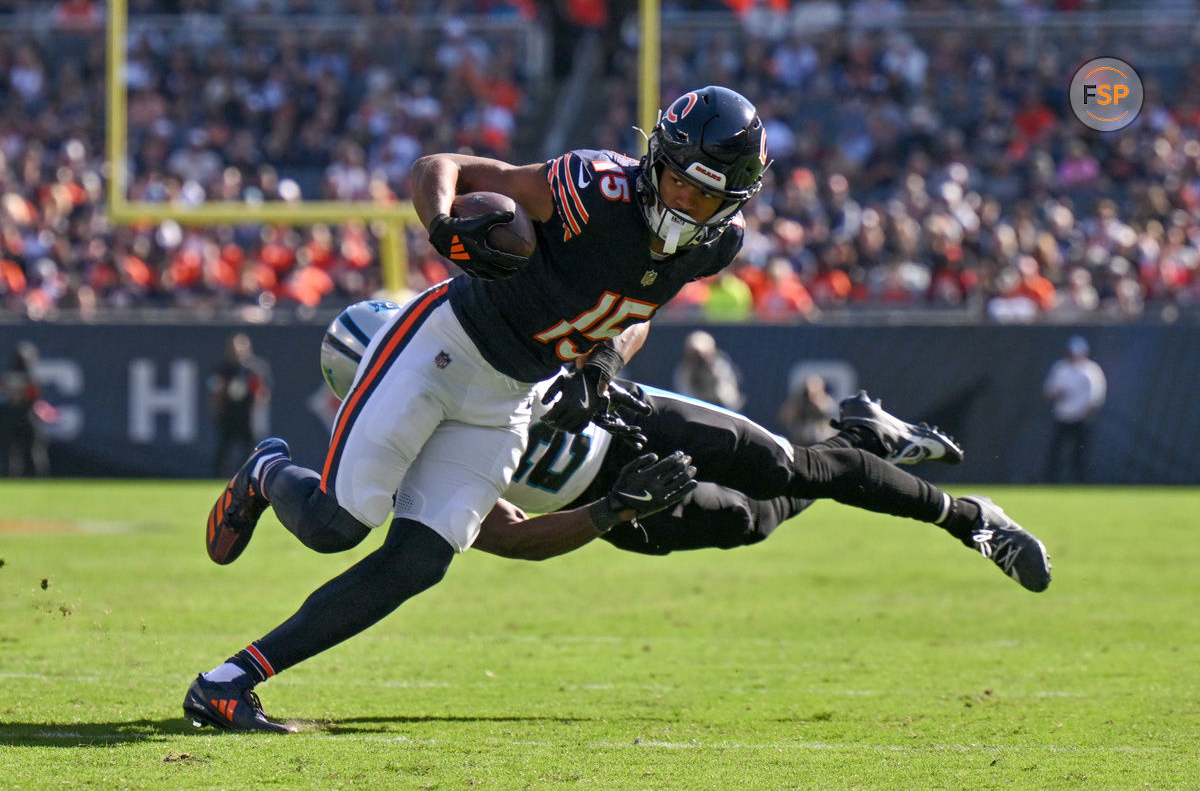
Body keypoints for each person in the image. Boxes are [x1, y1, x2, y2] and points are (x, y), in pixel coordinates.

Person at [187, 85, 775, 732]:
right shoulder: (591, 186)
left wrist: (603, 364)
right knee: (336, 526)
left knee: (421, 560)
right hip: (442, 347)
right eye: (676, 181)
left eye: (706, 195)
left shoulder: (714, 245)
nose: (683, 202)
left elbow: (635, 313)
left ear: (734, 201)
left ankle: (227, 683)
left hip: (510, 396)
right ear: (654, 158)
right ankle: (268, 471)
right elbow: (439, 168)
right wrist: (442, 224)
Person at [316, 303, 1045, 577]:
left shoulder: (491, 322)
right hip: (609, 500)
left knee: (783, 467)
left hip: (637, 420)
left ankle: (973, 521)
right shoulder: (402, 457)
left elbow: (631, 311)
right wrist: (609, 514)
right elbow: (510, 538)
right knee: (747, 520)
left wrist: (597, 366)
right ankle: (865, 438)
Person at [1042, 335, 1106, 483]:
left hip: (1081, 418)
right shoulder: (1060, 368)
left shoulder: (1091, 370)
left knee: (1081, 453)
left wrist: (1087, 412)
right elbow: (1049, 391)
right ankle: (1052, 481)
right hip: (1062, 416)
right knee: (1056, 452)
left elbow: (1096, 395)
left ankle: (1081, 481)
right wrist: (1057, 395)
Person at [208, 333, 271, 477]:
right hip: (229, 415)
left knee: (250, 450)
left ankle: (251, 479)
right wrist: (217, 411)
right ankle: (217, 477)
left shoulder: (255, 369)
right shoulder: (223, 369)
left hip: (247, 415)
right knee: (223, 450)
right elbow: (215, 391)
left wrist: (259, 409)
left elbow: (263, 394)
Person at [0, 341, 50, 477]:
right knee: (28, 450)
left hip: (13, 415)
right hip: (23, 415)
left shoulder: (8, 377)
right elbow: (36, 398)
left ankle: (13, 476)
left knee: (13, 450)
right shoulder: (30, 379)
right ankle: (33, 476)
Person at [672, 329, 745, 410]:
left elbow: (730, 398)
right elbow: (685, 396)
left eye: (702, 354)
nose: (699, 357)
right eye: (695, 354)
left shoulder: (720, 366)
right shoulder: (684, 372)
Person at [777, 373, 839, 446]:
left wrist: (815, 399)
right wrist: (797, 402)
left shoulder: (826, 401)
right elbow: (784, 417)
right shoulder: (798, 403)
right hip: (802, 442)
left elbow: (828, 414)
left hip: (821, 442)